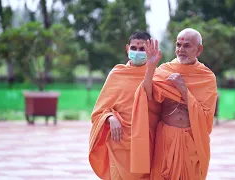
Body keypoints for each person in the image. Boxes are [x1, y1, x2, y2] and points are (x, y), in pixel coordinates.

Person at [130, 28, 218, 180]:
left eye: (187, 46)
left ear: (199, 50)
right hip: (166, 137)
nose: (181, 49)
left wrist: (184, 90)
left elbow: (206, 117)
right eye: (178, 45)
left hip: (190, 140)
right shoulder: (165, 70)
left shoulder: (206, 77)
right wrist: (151, 67)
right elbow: (146, 95)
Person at [89, 31, 159, 180]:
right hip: (119, 142)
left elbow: (150, 98)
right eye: (134, 48)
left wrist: (151, 68)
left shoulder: (157, 74)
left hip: (146, 143)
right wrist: (110, 118)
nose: (137, 52)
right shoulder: (117, 73)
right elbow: (98, 112)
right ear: (127, 48)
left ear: (150, 50)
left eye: (142, 49)